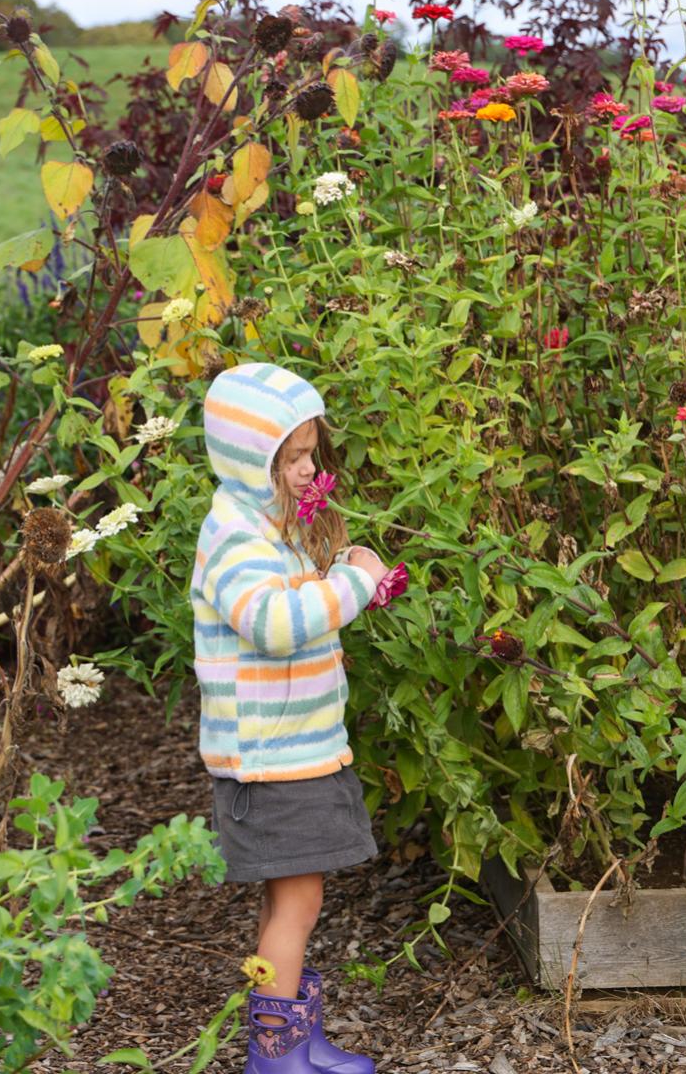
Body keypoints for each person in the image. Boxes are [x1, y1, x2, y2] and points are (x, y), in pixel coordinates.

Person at [192, 361, 390, 1074]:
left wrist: (332, 564)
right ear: (252, 460)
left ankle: (293, 1040)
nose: (310, 469)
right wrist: (355, 584)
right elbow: (275, 625)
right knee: (298, 907)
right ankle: (275, 1056)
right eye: (295, 457)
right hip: (272, 761)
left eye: (311, 453)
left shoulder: (263, 526)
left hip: (293, 751)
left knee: (290, 905)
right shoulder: (235, 539)